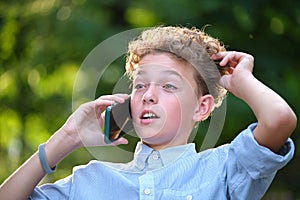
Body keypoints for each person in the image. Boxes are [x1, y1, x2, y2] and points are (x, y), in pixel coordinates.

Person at [0, 26, 297, 199]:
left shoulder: (225, 170)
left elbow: (279, 120)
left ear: (202, 107)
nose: (149, 95)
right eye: (140, 85)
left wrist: (242, 80)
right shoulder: (89, 181)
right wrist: (68, 136)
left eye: (168, 86)